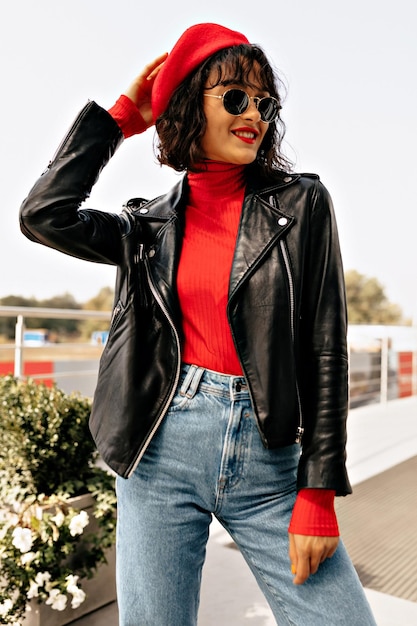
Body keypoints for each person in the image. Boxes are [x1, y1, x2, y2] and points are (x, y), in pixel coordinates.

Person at [19, 22, 377, 626]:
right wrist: (117, 121)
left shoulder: (300, 205)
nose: (254, 115)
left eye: (264, 102)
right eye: (234, 96)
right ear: (188, 105)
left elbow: (324, 349)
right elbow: (44, 214)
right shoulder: (145, 228)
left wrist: (318, 492)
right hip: (159, 448)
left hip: (268, 461)